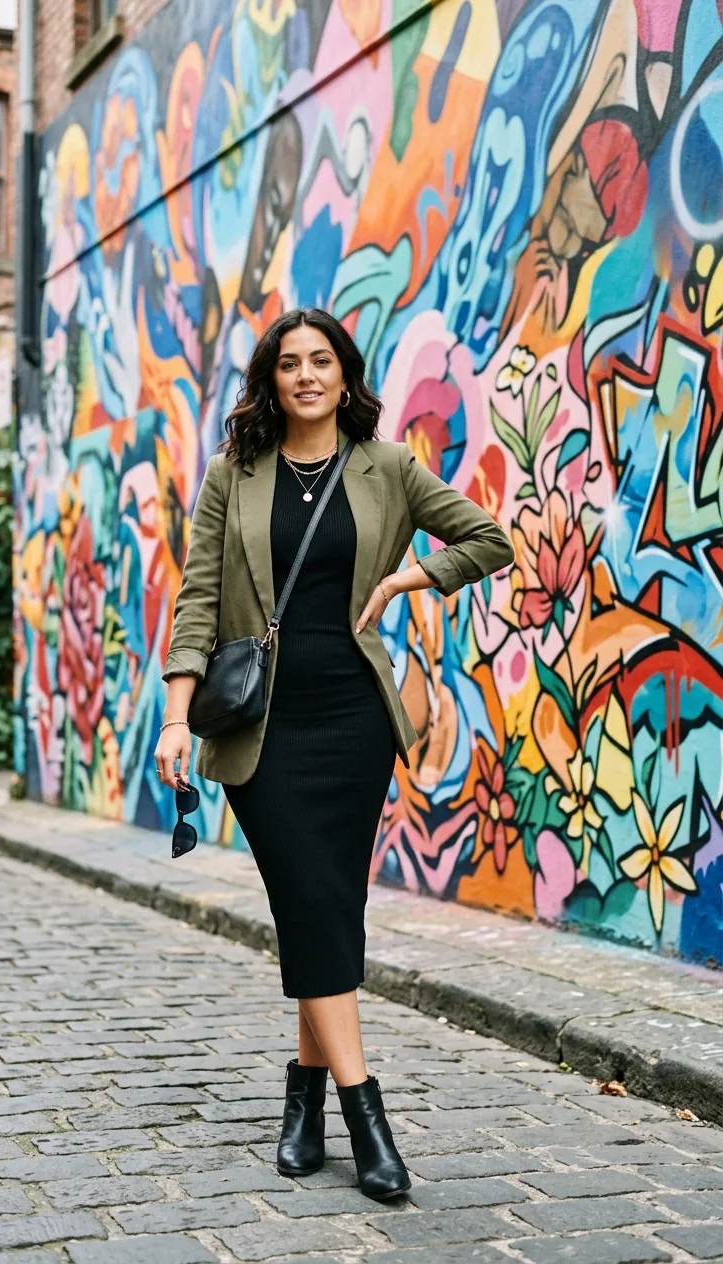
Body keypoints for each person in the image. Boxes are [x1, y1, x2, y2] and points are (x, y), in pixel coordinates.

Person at [155, 307, 514, 1199]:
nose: (307, 376)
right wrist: (175, 717)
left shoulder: (387, 467)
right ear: (271, 381)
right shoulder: (233, 475)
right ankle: (365, 1115)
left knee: (327, 910)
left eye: (322, 361)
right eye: (290, 364)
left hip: (354, 720)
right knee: (309, 900)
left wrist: (410, 576)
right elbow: (197, 600)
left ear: (345, 375)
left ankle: (304, 1102)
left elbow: (490, 540)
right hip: (261, 729)